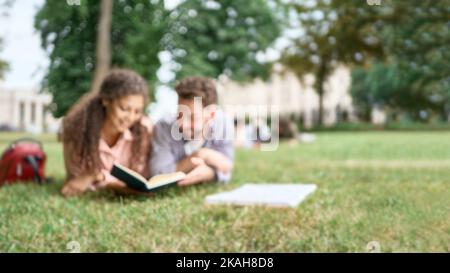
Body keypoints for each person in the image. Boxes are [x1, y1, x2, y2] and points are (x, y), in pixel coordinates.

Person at [61, 68, 152, 197]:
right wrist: (106, 180)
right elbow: (76, 179)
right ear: (106, 100)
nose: (131, 118)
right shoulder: (78, 131)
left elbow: (140, 175)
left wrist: (98, 176)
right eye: (124, 108)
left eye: (137, 111)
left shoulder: (142, 129)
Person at [151, 76, 234, 186]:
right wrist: (200, 155)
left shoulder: (223, 124)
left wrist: (210, 173)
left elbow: (226, 167)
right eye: (180, 114)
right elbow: (159, 173)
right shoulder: (164, 126)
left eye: (192, 117)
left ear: (211, 114)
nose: (183, 124)